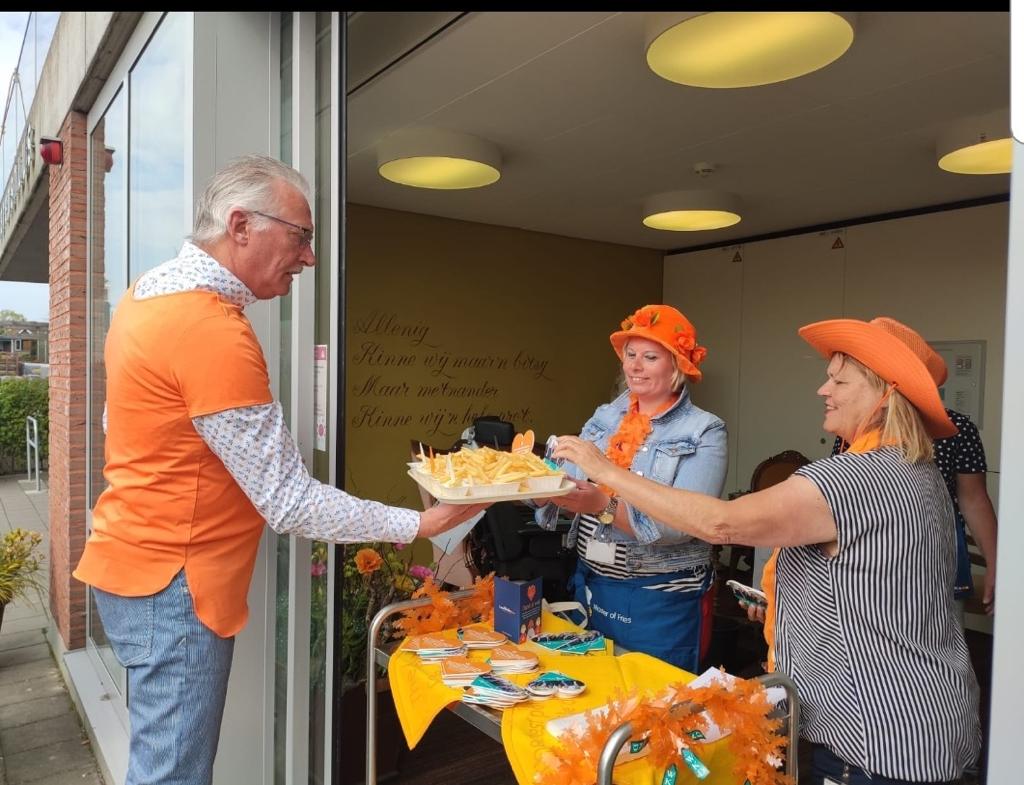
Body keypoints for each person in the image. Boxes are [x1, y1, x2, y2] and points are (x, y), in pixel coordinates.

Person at [73, 155, 486, 785]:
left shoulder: (144, 296)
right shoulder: (210, 330)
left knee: (160, 762)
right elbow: (289, 501)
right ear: (241, 226)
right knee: (173, 775)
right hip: (174, 584)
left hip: (133, 567)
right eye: (302, 236)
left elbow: (117, 425)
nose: (310, 257)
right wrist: (423, 520)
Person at [554, 316, 980, 785]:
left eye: (838, 380)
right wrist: (787, 605)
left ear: (885, 395)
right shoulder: (919, 472)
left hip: (876, 737)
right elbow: (876, 580)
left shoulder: (855, 477)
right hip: (928, 714)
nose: (823, 389)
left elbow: (721, 522)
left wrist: (607, 474)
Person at [534, 304, 726, 671]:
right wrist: (538, 485)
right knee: (594, 701)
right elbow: (564, 478)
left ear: (677, 366)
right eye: (630, 355)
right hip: (591, 586)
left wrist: (599, 505)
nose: (635, 366)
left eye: (650, 357)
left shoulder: (705, 432)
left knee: (653, 711)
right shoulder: (604, 416)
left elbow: (680, 526)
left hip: (661, 602)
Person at [831, 402, 997, 617]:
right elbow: (839, 497)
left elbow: (974, 500)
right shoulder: (857, 425)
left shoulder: (956, 427)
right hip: (865, 560)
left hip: (936, 562)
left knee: (941, 640)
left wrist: (995, 563)